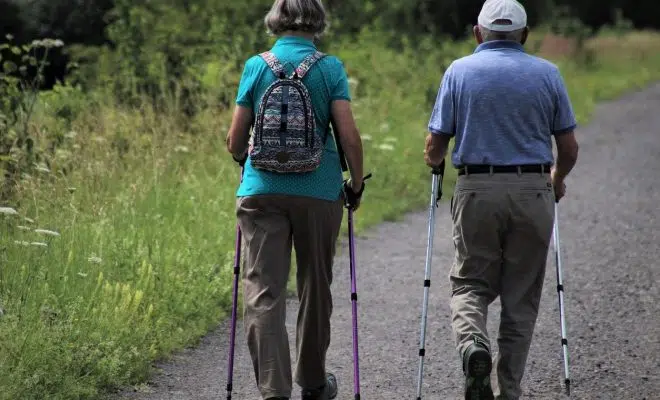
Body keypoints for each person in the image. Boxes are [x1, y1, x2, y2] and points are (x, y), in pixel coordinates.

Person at [423, 0, 580, 399]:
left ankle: (474, 344)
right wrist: (556, 179)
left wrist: (435, 161)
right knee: (520, 296)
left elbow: (436, 143)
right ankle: (509, 389)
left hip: (477, 188)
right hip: (533, 190)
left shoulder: (459, 71)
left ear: (479, 33)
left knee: (469, 284)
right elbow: (569, 146)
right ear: (524, 35)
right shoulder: (548, 73)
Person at [225, 0, 366, 399]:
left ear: (276, 21)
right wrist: (355, 183)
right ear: (318, 22)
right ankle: (314, 383)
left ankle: (274, 390)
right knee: (314, 285)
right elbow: (349, 137)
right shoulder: (329, 67)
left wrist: (244, 158)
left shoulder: (256, 66)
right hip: (319, 190)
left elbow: (236, 141)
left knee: (264, 291)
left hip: (262, 192)